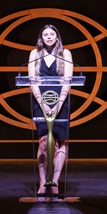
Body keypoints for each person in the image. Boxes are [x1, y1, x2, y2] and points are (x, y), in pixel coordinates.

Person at [28, 23, 73, 199]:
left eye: (52, 34)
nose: (48, 37)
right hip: (40, 101)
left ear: (57, 37)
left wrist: (58, 104)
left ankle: (54, 182)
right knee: (43, 141)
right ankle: (42, 181)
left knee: (61, 142)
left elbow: (67, 81)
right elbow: (32, 81)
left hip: (61, 100)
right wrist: (43, 103)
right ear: (41, 37)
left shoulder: (65, 54)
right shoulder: (35, 54)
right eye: (45, 34)